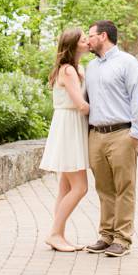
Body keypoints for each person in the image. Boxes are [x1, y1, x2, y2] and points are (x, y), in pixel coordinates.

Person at [81, 20, 138, 259]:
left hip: (122, 134)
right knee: (104, 189)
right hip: (96, 136)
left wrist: (135, 134)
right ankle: (106, 235)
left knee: (124, 188)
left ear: (104, 36)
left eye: (91, 36)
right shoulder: (91, 67)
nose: (88, 40)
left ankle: (122, 239)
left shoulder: (127, 63)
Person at [38, 27, 92, 252]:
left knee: (65, 187)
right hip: (69, 126)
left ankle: (58, 234)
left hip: (70, 126)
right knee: (80, 187)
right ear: (73, 45)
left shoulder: (78, 68)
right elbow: (80, 105)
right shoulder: (68, 70)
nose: (88, 41)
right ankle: (54, 234)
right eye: (83, 39)